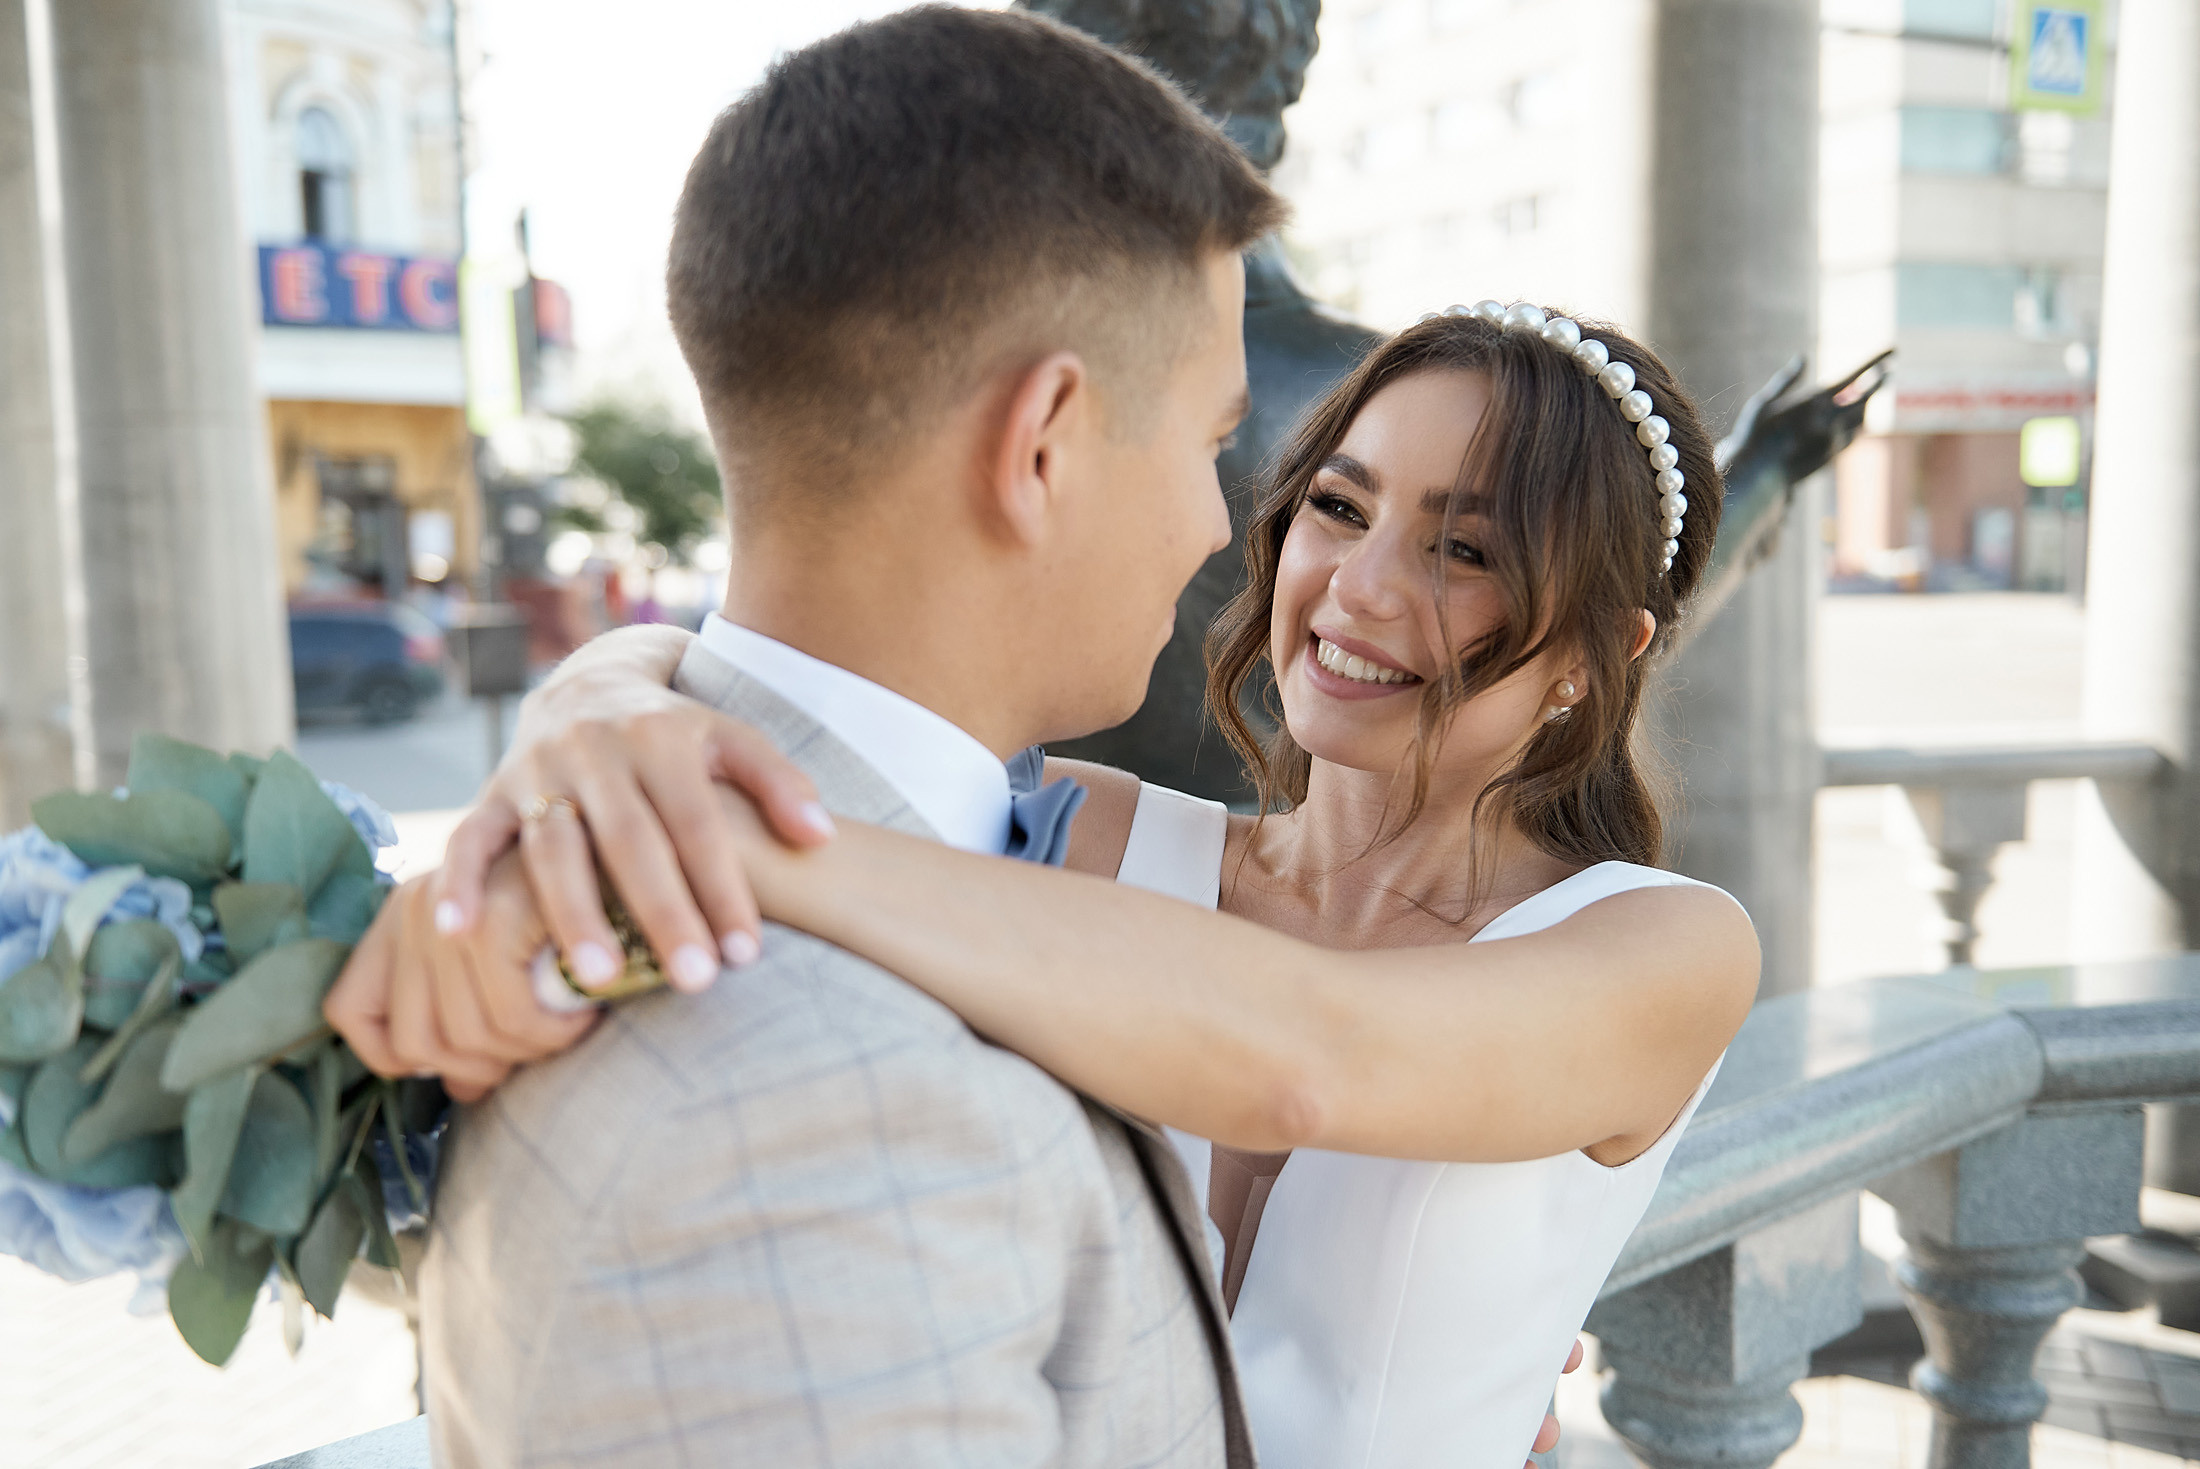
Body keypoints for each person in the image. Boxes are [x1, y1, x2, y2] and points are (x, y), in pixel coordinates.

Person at [333, 283, 1760, 1461]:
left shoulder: (1664, 952)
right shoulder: (1078, 834)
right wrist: (605, 714)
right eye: (1339, 504)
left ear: (1595, 653)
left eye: (1461, 548)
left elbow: (1306, 1058)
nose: (1357, 586)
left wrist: (742, 840)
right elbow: (804, 705)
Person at [369, 10, 1291, 1465]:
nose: (1216, 519)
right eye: (1209, 438)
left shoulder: (632, 838)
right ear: (1043, 440)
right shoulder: (820, 1122)